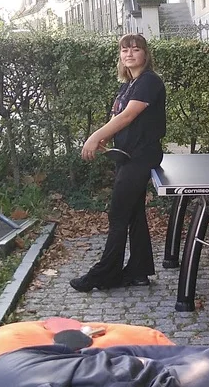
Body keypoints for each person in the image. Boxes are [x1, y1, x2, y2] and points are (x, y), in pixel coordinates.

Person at [70, 33, 167, 292]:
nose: (130, 54)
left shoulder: (149, 82)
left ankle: (104, 274)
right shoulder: (128, 85)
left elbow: (127, 116)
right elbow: (124, 120)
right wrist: (111, 141)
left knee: (118, 214)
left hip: (141, 156)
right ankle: (139, 271)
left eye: (136, 49)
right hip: (128, 156)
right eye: (125, 50)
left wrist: (95, 137)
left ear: (146, 54)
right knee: (134, 213)